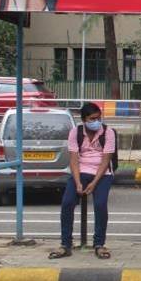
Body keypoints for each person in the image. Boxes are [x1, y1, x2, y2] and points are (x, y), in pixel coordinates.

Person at [50, 102, 115, 259]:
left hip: (102, 173)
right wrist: (78, 182)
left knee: (100, 204)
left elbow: (106, 160)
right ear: (84, 119)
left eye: (98, 118)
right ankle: (66, 244)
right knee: (67, 202)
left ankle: (99, 244)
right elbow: (73, 159)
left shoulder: (108, 132)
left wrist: (93, 183)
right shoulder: (75, 132)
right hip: (81, 171)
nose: (96, 122)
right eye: (92, 119)